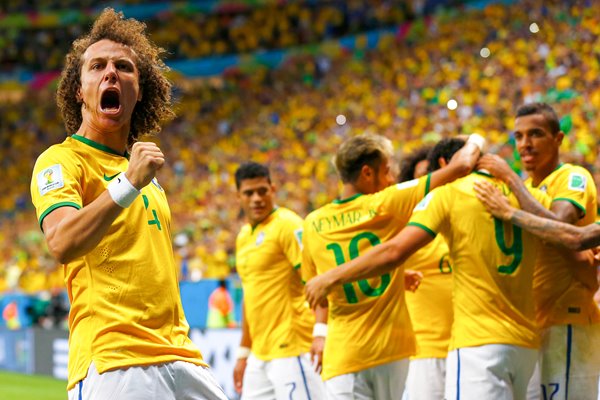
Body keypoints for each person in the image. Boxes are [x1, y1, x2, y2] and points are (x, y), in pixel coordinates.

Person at [30, 9, 227, 400]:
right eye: (97, 66)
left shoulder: (144, 176)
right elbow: (62, 242)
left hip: (182, 357)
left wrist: (132, 179)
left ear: (140, 89)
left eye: (124, 67)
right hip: (115, 361)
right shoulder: (62, 161)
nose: (110, 73)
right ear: (78, 90)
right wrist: (128, 184)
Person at [304, 146, 561, 399]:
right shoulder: (414, 219)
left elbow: (388, 254)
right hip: (444, 350)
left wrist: (333, 280)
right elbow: (563, 231)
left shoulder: (444, 209)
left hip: (468, 343)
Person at [301, 133, 481, 399]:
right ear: (366, 173)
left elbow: (318, 289)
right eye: (386, 172)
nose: (391, 180)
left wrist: (319, 332)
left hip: (345, 354)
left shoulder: (312, 224)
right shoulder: (387, 203)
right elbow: (461, 166)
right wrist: (476, 138)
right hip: (392, 352)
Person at [475, 103, 600, 399]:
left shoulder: (572, 176)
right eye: (518, 137)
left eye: (535, 134)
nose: (525, 144)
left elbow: (559, 223)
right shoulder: (529, 187)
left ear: (558, 139)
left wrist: (511, 182)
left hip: (568, 321)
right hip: (533, 325)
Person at [232, 161, 324, 400]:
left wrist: (321, 332)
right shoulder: (243, 236)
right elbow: (249, 296)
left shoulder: (288, 225)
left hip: (292, 347)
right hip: (259, 354)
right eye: (249, 193)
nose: (256, 199)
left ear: (273, 189)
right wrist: (244, 352)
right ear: (238, 196)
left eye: (262, 191)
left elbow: (316, 280)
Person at [399, 141, 458, 400]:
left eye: (435, 174)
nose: (431, 182)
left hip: (468, 346)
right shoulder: (404, 228)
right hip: (425, 352)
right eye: (423, 177)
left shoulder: (463, 218)